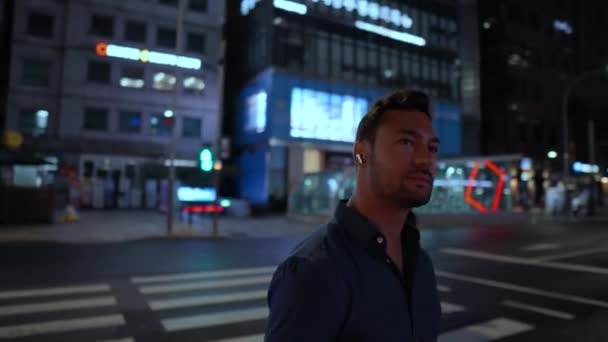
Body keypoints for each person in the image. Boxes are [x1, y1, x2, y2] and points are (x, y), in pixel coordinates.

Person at [265, 89, 442, 341]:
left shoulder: (420, 262)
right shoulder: (314, 272)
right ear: (361, 153)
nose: (425, 159)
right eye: (407, 142)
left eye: (432, 147)